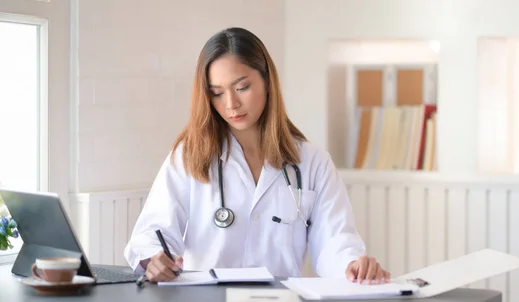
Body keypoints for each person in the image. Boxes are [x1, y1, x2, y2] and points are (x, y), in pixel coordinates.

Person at [123, 27, 390, 285]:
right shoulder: (189, 155)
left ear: (267, 81)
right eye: (217, 93)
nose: (231, 104)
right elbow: (154, 232)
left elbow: (335, 241)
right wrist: (154, 260)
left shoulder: (312, 163)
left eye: (241, 87)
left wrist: (353, 265)